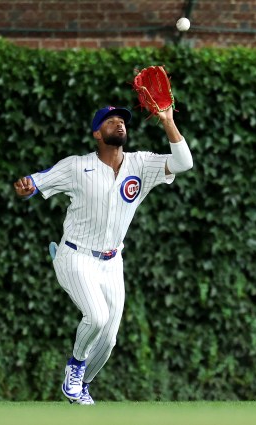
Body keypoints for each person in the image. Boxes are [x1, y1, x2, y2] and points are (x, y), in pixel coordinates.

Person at [13, 104, 193, 404]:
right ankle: (75, 364)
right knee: (96, 317)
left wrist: (168, 121)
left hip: (112, 262)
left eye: (122, 120)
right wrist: (26, 188)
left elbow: (184, 163)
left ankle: (82, 385)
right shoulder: (76, 166)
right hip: (75, 255)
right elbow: (37, 181)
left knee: (108, 340)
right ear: (97, 133)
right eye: (110, 121)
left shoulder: (142, 164)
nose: (119, 124)